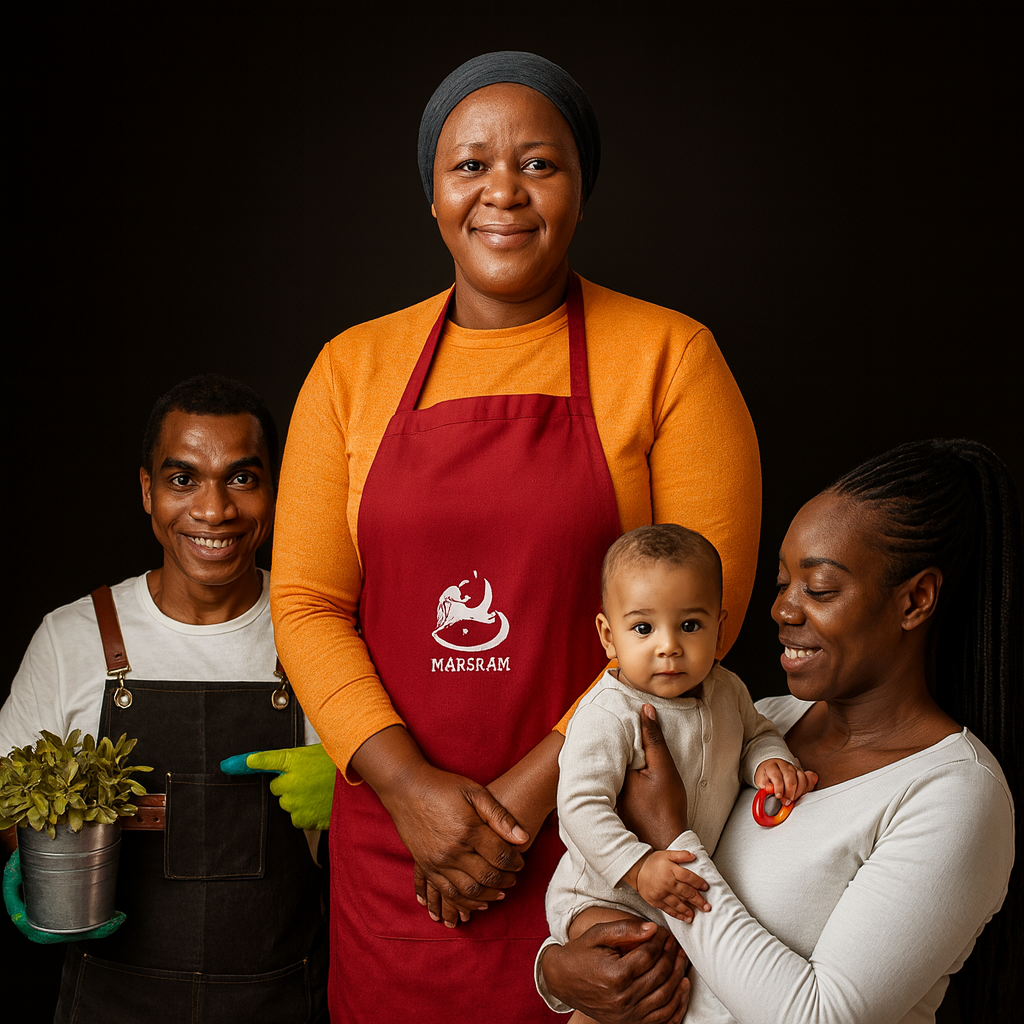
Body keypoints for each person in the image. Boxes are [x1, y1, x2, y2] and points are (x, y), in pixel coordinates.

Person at [270, 51, 761, 1022]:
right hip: (401, 854)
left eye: (539, 163)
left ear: (580, 188)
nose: (504, 191)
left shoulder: (670, 356)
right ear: (432, 194)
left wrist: (523, 803)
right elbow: (307, 602)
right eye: (470, 165)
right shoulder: (349, 369)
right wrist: (410, 790)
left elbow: (706, 609)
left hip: (606, 844)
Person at [538, 438, 1019, 1024]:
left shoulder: (955, 795)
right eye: (782, 583)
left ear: (915, 600)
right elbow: (609, 896)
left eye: (818, 589)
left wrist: (669, 833)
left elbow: (820, 1016)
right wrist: (557, 970)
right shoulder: (757, 720)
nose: (782, 610)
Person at [0, 375, 329, 1023]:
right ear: (148, 491)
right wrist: (30, 862)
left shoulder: (319, 630)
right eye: (184, 479)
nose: (214, 510)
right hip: (113, 1001)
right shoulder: (73, 638)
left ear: (274, 490)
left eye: (241, 478)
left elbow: (396, 819)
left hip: (280, 998)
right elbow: (8, 799)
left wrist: (353, 793)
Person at [548, 524, 814, 964]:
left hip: (685, 896)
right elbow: (579, 805)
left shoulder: (728, 691)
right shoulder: (608, 713)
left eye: (690, 625)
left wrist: (769, 760)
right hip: (604, 894)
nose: (669, 646)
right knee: (632, 962)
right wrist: (637, 868)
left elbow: (756, 733)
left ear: (719, 630)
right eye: (643, 628)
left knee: (678, 971)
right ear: (608, 635)